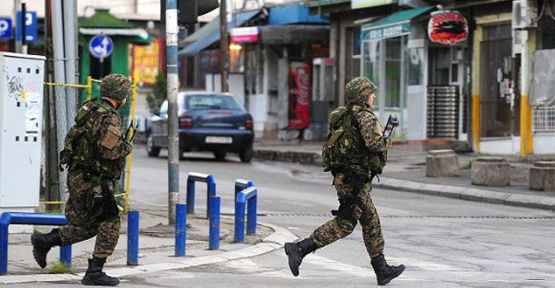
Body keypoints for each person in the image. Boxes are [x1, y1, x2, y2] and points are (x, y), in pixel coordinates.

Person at [284, 77, 405, 286]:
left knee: (371, 221)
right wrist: (387, 139)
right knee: (346, 223)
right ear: (362, 95)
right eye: (370, 92)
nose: (373, 96)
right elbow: (373, 144)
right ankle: (300, 248)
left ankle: (382, 269)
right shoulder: (365, 116)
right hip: (356, 179)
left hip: (345, 175)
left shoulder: (340, 115)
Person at [31, 74, 134, 286]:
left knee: (91, 224)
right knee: (111, 221)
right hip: (93, 180)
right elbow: (109, 151)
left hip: (79, 176)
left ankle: (46, 241)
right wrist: (127, 146)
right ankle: (94, 271)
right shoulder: (109, 116)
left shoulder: (90, 109)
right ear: (120, 94)